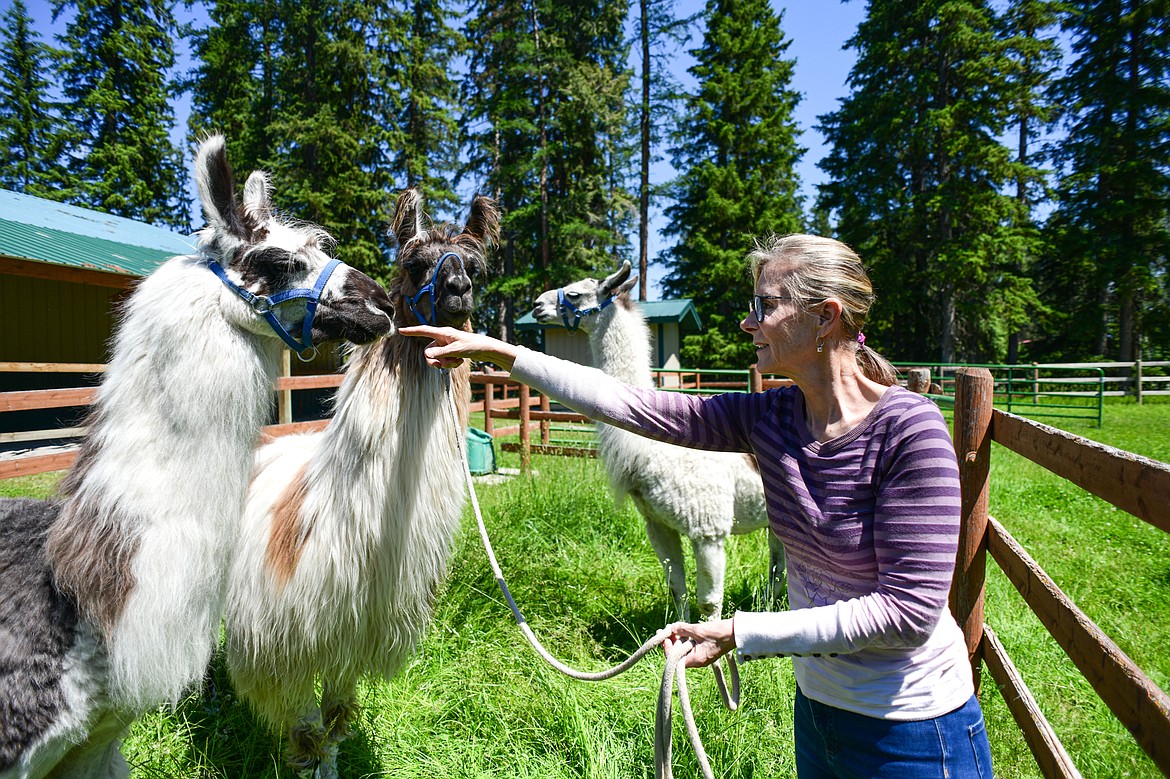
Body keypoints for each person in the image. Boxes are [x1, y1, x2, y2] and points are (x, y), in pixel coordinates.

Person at [402, 233, 993, 779]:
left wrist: (742, 631)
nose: (747, 322)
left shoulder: (909, 432)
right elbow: (631, 405)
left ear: (824, 318)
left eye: (764, 307)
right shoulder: (771, 418)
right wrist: (500, 352)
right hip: (819, 710)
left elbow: (908, 614)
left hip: (914, 730)